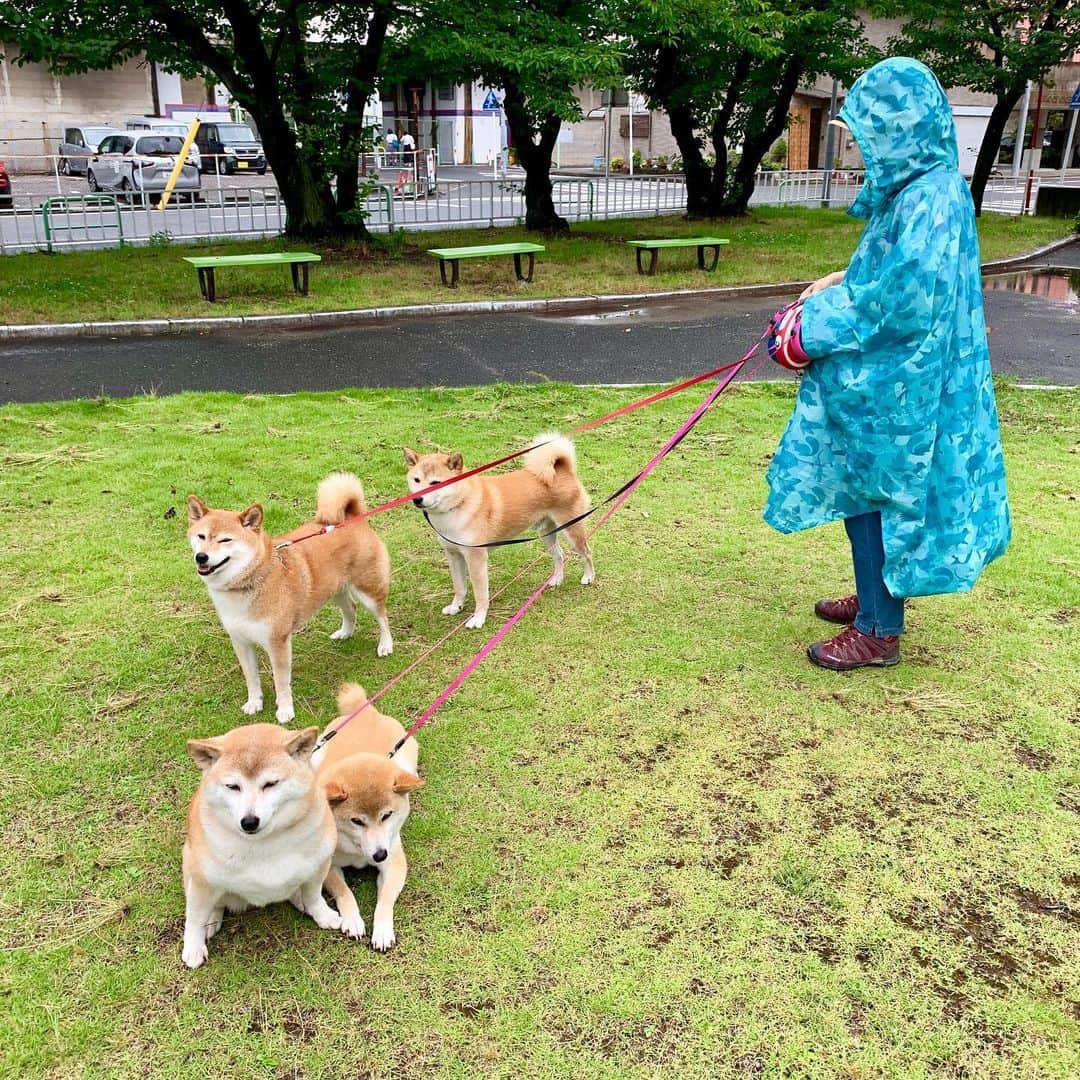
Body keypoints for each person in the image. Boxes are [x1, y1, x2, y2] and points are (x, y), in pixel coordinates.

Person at [763, 57, 1011, 671]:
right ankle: (874, 596)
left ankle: (879, 629)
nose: (865, 152)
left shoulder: (930, 197)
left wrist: (809, 328)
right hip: (895, 382)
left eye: (872, 136)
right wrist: (837, 280)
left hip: (904, 385)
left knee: (880, 493)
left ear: (903, 128)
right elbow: (887, 274)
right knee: (863, 487)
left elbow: (900, 302)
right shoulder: (919, 190)